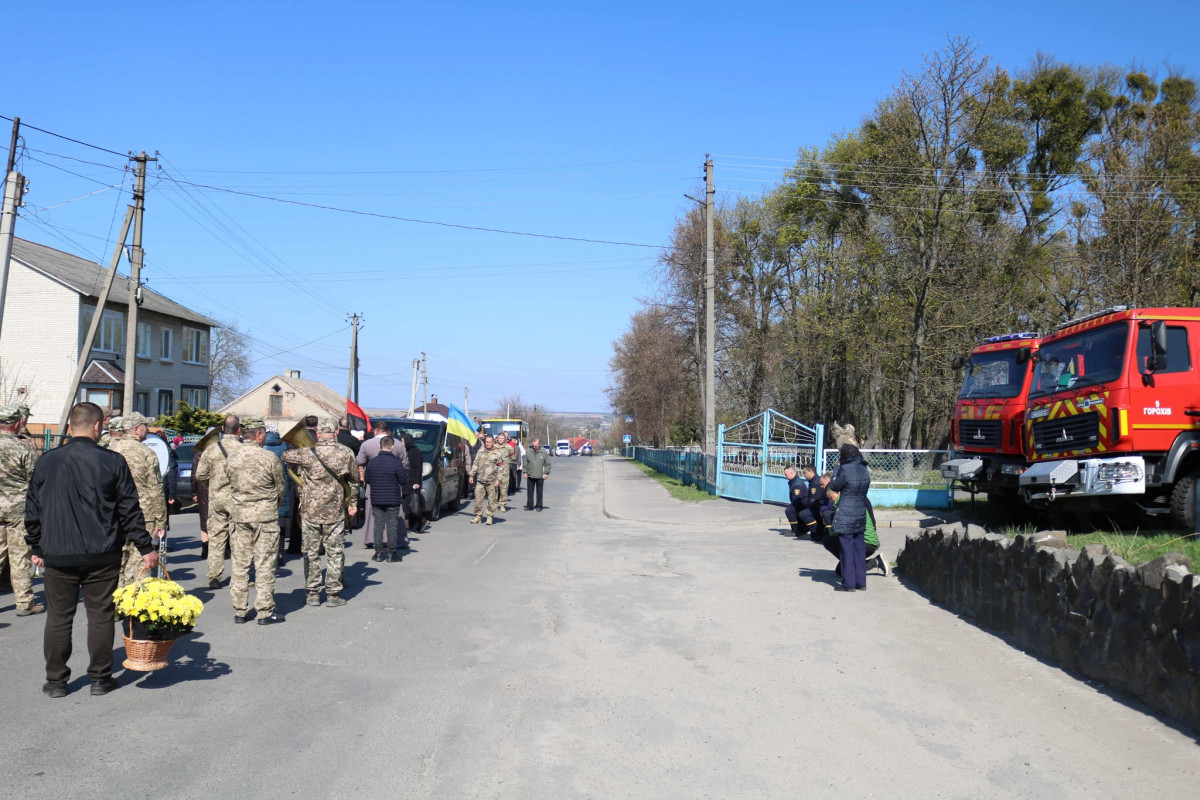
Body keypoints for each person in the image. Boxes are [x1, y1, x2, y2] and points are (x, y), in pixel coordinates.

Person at [25, 402, 159, 697]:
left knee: (59, 617)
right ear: (98, 426)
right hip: (103, 553)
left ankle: (57, 682)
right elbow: (129, 509)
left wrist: (36, 545)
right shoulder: (112, 461)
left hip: (58, 553)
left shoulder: (46, 461)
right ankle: (100, 678)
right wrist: (146, 546)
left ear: (72, 425)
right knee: (100, 615)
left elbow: (32, 508)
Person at [282, 418, 358, 606]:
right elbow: (354, 479)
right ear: (336, 432)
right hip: (334, 510)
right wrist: (353, 503)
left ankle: (313, 593)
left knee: (310, 553)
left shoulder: (307, 453)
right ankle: (333, 595)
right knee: (334, 552)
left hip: (310, 511)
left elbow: (285, 456)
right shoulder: (346, 453)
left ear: (317, 433)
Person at [226, 417, 287, 624]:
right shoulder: (269, 458)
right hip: (265, 517)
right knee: (264, 563)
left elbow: (230, 483)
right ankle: (264, 611)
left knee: (240, 564)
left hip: (240, 516)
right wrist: (272, 505)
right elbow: (280, 488)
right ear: (260, 435)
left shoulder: (232, 457)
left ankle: (240, 610)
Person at [106, 413, 167, 588]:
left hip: (114, 513)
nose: (147, 429)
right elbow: (155, 488)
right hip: (143, 513)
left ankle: (117, 604)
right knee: (141, 560)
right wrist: (161, 520)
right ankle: (137, 606)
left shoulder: (110, 451)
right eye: (144, 426)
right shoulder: (146, 453)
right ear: (135, 429)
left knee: (117, 560)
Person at [0, 402, 44, 616]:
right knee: (19, 556)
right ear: (16, 424)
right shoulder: (24, 447)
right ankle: (24, 602)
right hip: (19, 509)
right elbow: (35, 480)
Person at [193, 416, 242, 588]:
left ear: (222, 428)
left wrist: (213, 484)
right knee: (238, 540)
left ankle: (214, 575)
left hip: (217, 500)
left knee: (216, 539)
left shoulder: (211, 449)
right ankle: (239, 575)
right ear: (239, 430)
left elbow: (200, 475)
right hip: (237, 500)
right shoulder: (243, 449)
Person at [828, 443, 871, 592]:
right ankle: (861, 582)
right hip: (860, 512)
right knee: (859, 549)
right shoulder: (864, 469)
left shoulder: (844, 469)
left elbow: (834, 486)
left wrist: (836, 469)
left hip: (846, 513)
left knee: (846, 548)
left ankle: (849, 583)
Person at [356, 420, 406, 547]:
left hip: (374, 483)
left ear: (375, 431)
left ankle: (371, 540)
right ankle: (397, 541)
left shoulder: (367, 444)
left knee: (374, 515)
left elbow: (359, 461)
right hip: (393, 483)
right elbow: (405, 463)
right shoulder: (398, 444)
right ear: (387, 431)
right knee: (394, 517)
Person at [822, 492, 890, 578]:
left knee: (828, 540)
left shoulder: (844, 504)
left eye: (831, 497)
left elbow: (840, 529)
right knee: (840, 571)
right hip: (869, 541)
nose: (830, 500)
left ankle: (851, 564)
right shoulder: (855, 499)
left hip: (865, 542)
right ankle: (876, 561)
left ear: (838, 493)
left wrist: (830, 529)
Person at [362, 435, 408, 562]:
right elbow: (403, 480)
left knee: (378, 525)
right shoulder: (396, 463)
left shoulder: (372, 462)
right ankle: (392, 553)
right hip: (392, 499)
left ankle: (378, 553)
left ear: (379, 446)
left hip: (376, 498)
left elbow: (367, 479)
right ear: (392, 447)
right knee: (392, 525)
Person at [468, 435, 505, 524]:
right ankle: (478, 516)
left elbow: (501, 468)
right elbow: (476, 463)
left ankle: (490, 516)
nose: (487, 444)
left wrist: (498, 480)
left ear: (493, 443)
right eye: (486, 442)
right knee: (478, 499)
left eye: (489, 442)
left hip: (492, 481)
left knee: (492, 500)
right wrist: (471, 475)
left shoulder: (498, 453)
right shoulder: (480, 452)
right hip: (480, 479)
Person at [401, 432, 424, 531]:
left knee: (411, 503)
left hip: (412, 481)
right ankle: (405, 522)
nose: (401, 443)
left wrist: (417, 482)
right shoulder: (402, 451)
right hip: (404, 480)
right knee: (405, 501)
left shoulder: (416, 452)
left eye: (402, 441)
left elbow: (418, 468)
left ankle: (416, 522)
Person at [523, 438, 550, 511]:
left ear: (539, 445)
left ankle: (539, 506)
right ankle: (529, 505)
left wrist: (546, 473)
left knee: (539, 491)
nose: (534, 447)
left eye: (536, 446)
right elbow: (525, 463)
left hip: (540, 476)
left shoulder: (544, 453)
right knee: (530, 492)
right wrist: (525, 472)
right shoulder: (528, 452)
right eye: (533, 445)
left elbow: (547, 464)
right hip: (530, 475)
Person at [782, 466, 807, 537]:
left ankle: (795, 530)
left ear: (792, 473)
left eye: (786, 475)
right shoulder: (794, 481)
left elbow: (797, 500)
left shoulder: (796, 484)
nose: (785, 476)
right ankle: (800, 527)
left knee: (789, 510)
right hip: (801, 504)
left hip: (803, 504)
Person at [494, 431, 514, 511]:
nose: (501, 439)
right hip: (495, 471)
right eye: (499, 438)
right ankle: (494, 504)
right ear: (497, 439)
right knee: (494, 489)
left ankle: (502, 504)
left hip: (505, 471)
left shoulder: (509, 447)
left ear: (505, 438)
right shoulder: (494, 447)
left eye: (502, 438)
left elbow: (513, 458)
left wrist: (507, 463)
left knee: (504, 489)